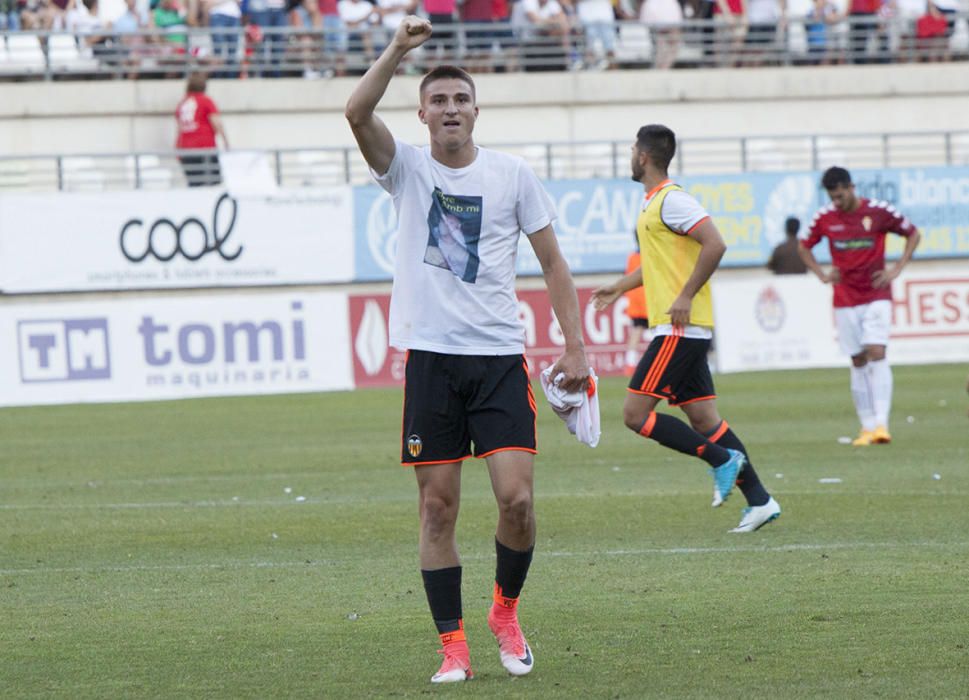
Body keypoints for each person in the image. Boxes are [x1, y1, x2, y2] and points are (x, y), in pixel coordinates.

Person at [344, 16, 590, 684]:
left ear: (475, 110)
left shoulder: (512, 175)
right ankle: (452, 644)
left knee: (517, 501)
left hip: (497, 361)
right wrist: (397, 48)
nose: (450, 109)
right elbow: (355, 110)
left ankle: (503, 613)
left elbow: (554, 265)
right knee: (437, 508)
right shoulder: (405, 170)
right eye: (439, 101)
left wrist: (576, 347)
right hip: (430, 361)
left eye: (460, 99)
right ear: (422, 113)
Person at [591, 124, 781, 534]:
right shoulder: (653, 204)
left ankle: (721, 460)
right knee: (705, 420)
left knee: (634, 414)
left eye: (631, 150)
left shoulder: (672, 201)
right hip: (684, 327)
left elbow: (716, 243)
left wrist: (684, 296)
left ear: (643, 156)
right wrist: (618, 286)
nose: (629, 156)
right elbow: (657, 266)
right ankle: (761, 500)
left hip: (679, 328)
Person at [798, 166, 921, 446]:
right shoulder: (825, 217)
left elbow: (913, 234)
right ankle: (866, 428)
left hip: (876, 292)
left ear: (851, 187)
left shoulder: (878, 211)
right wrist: (821, 274)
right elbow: (804, 246)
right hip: (845, 297)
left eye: (841, 195)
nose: (837, 202)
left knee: (876, 350)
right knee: (857, 358)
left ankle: (882, 424)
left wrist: (896, 269)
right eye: (833, 197)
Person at [175, 72, 229, 187]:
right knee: (212, 183)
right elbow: (216, 123)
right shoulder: (205, 101)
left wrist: (178, 149)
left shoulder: (182, 103)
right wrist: (225, 141)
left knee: (194, 184)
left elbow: (179, 129)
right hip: (205, 148)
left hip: (186, 150)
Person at [623, 233, 649, 375]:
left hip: (636, 301)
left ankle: (630, 364)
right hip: (649, 300)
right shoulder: (649, 256)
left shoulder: (632, 257)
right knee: (659, 332)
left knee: (636, 331)